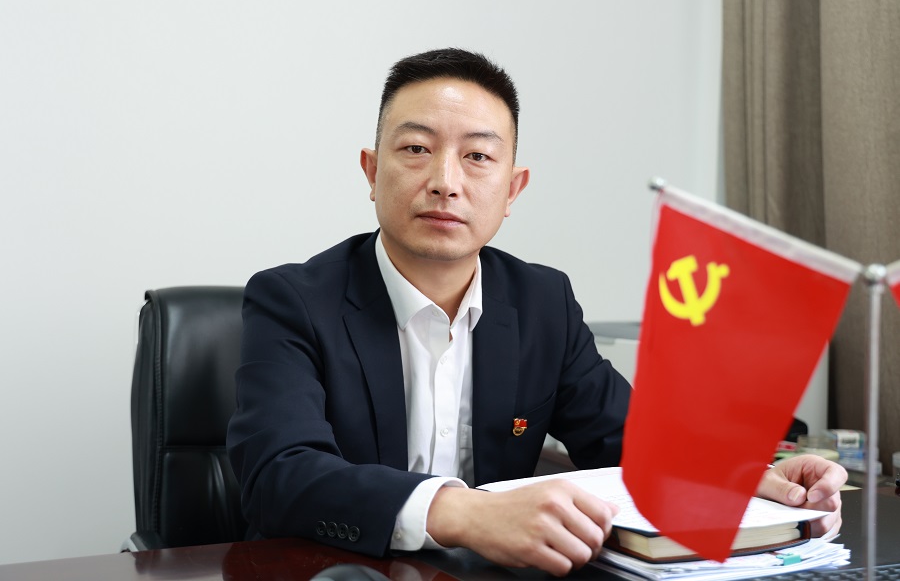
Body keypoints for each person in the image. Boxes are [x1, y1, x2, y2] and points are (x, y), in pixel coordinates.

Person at [226, 48, 846, 577]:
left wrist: (746, 477)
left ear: (512, 189)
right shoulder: (292, 300)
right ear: (371, 171)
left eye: (477, 156)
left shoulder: (542, 302)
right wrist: (465, 513)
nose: (445, 181)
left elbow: (628, 435)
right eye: (416, 148)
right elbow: (279, 476)